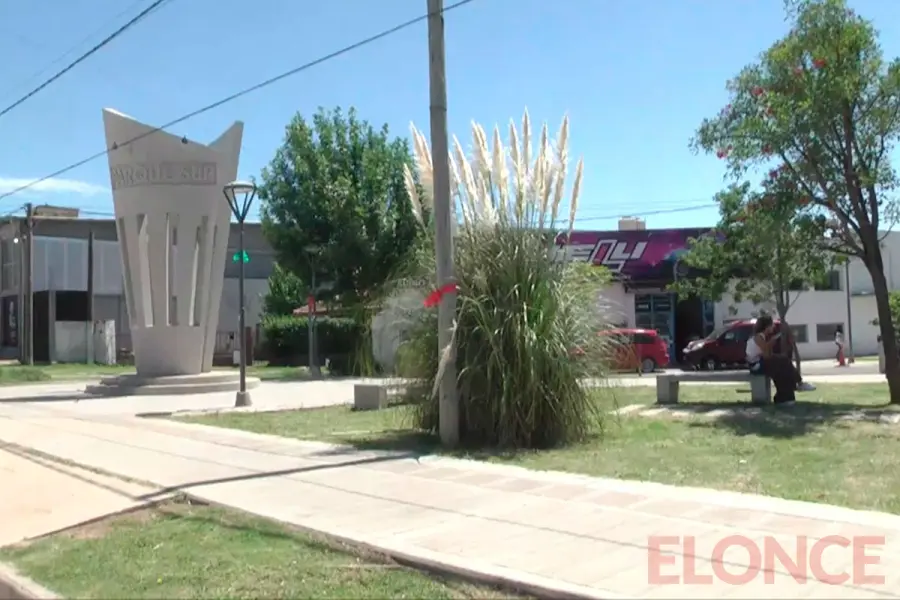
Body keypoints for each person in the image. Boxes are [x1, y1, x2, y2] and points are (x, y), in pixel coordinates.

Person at [746, 315, 815, 405]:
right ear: (767, 327)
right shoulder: (758, 337)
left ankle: (785, 398)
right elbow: (766, 355)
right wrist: (771, 343)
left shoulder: (762, 337)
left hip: (761, 363)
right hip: (756, 365)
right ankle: (799, 384)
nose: (774, 327)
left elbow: (767, 355)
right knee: (783, 361)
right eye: (772, 325)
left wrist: (771, 344)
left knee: (783, 366)